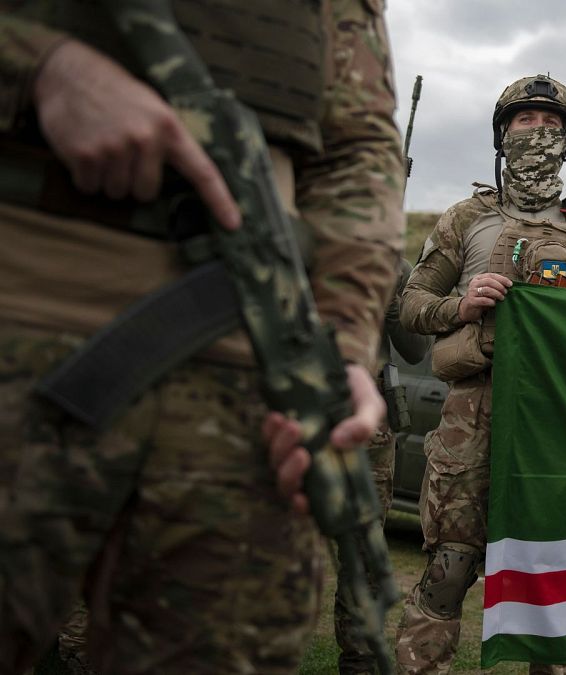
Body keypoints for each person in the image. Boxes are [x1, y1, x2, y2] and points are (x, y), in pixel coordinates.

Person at [0, 1, 404, 671]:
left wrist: (339, 339)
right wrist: (40, 67)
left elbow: (359, 145)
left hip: (252, 375)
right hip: (28, 296)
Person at [394, 73, 566, 674]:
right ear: (502, 135)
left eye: (553, 124)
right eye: (526, 121)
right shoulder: (466, 218)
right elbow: (412, 305)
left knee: (548, 585)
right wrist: (462, 306)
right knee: (449, 570)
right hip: (473, 420)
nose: (539, 132)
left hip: (556, 427)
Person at [334, 260, 433, 674]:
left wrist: (392, 294)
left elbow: (414, 349)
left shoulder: (392, 266)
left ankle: (357, 660)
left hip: (368, 428)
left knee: (364, 550)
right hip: (296, 410)